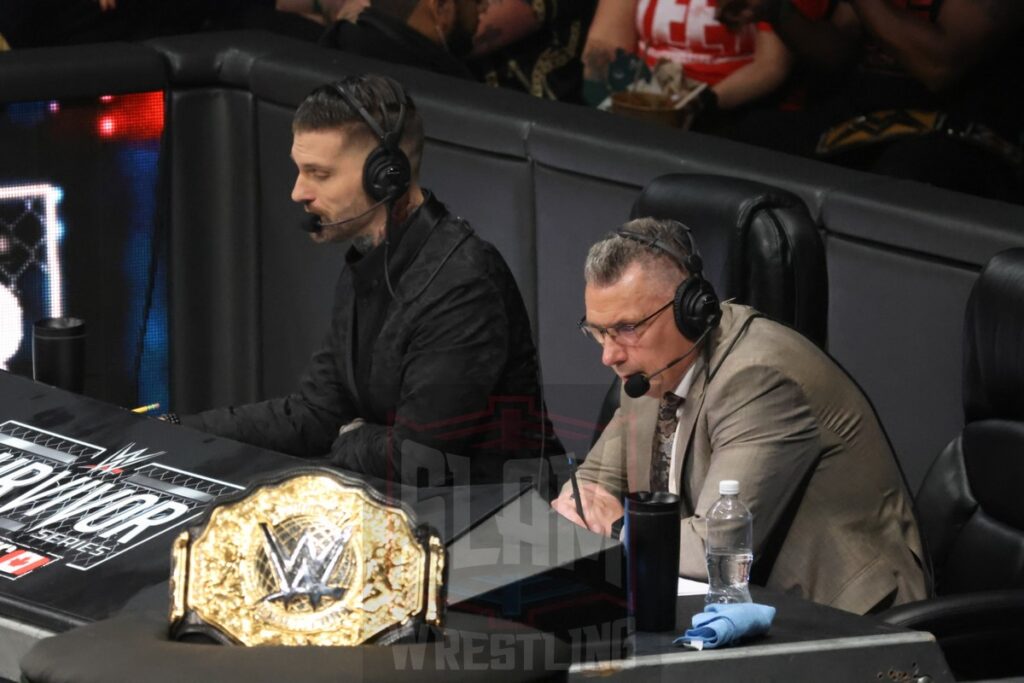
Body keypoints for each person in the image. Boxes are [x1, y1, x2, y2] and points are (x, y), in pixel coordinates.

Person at [170, 74, 559, 487]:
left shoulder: (463, 284)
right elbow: (314, 414)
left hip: (500, 528)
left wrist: (354, 439)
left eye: (318, 173)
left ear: (385, 176)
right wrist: (177, 430)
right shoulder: (369, 263)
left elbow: (418, 458)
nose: (298, 192)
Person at [551, 217, 928, 614]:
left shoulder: (759, 379)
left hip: (844, 620)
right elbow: (589, 489)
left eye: (626, 328)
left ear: (688, 309)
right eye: (598, 332)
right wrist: (590, 512)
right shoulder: (651, 369)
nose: (609, 355)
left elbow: (718, 546)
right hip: (737, 605)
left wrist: (617, 528)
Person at [714, 0, 1024, 203]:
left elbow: (938, 66)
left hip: (960, 131)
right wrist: (777, 11)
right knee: (747, 139)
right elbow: (837, 56)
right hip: (862, 120)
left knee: (905, 174)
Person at [580, 0, 828, 125]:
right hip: (645, 102)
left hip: (734, 110)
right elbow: (605, 42)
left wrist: (696, 106)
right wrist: (608, 100)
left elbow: (771, 66)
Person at [319, 0, 480, 80]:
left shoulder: (336, 43)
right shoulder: (454, 93)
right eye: (478, 1)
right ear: (442, 7)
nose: (484, 8)